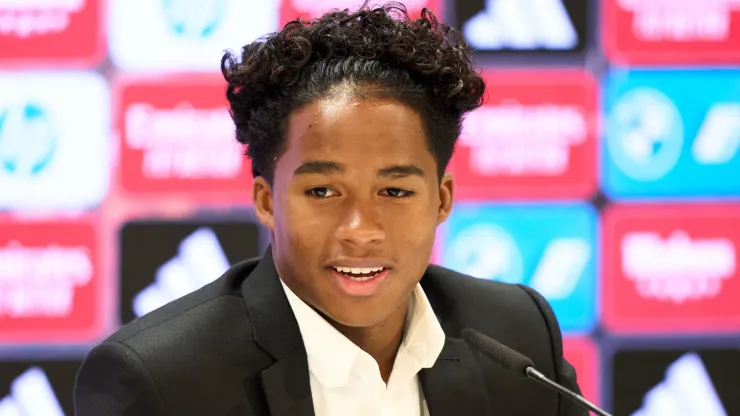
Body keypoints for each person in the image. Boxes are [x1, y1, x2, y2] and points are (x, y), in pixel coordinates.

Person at [74, 3, 586, 415]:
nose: (360, 231)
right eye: (322, 192)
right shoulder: (161, 382)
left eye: (395, 192)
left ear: (442, 200)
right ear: (267, 201)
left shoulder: (517, 333)